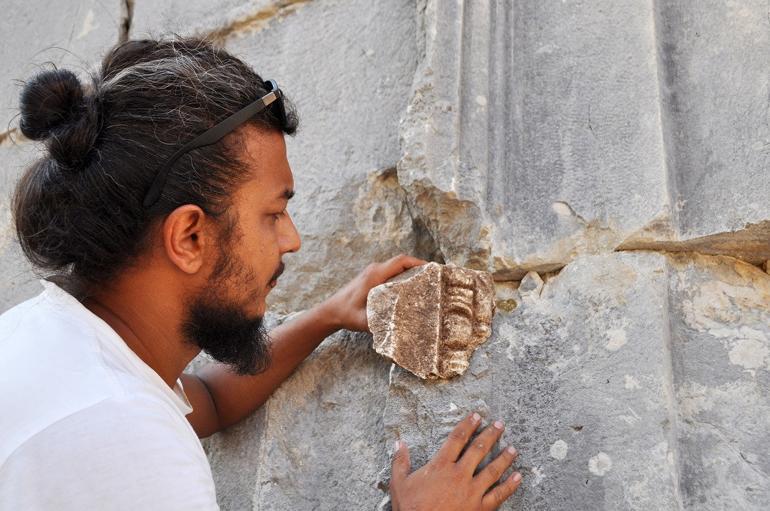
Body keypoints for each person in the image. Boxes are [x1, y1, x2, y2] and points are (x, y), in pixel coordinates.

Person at [0, 36, 522, 510]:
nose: (291, 239)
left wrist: (325, 318)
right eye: (273, 214)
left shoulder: (46, 342)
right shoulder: (130, 445)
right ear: (189, 237)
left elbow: (204, 400)